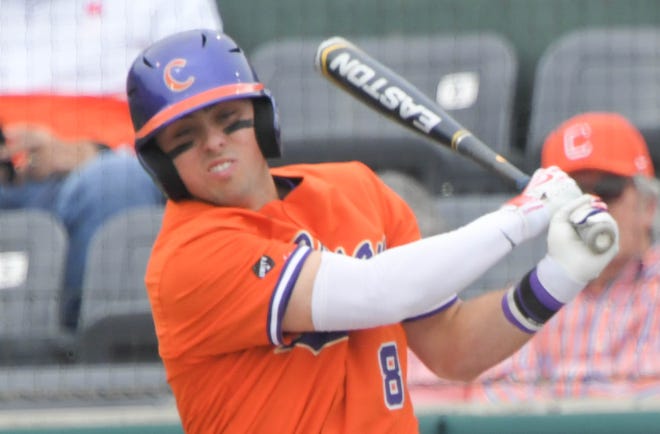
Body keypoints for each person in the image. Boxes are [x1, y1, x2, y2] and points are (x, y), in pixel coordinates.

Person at [125, 29, 619, 433]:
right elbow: (376, 291)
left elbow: (454, 350)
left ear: (262, 119)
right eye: (184, 139)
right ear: (160, 164)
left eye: (228, 120)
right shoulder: (188, 258)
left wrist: (560, 274)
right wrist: (521, 217)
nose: (213, 143)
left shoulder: (356, 189)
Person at [0, 0, 223, 330]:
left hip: (99, 178)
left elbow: (208, 121)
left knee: (115, 182)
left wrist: (89, 153)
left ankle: (83, 360)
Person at [460, 112, 660, 402]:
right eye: (573, 194)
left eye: (608, 190)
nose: (591, 206)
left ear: (649, 207)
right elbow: (493, 396)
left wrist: (554, 403)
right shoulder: (535, 293)